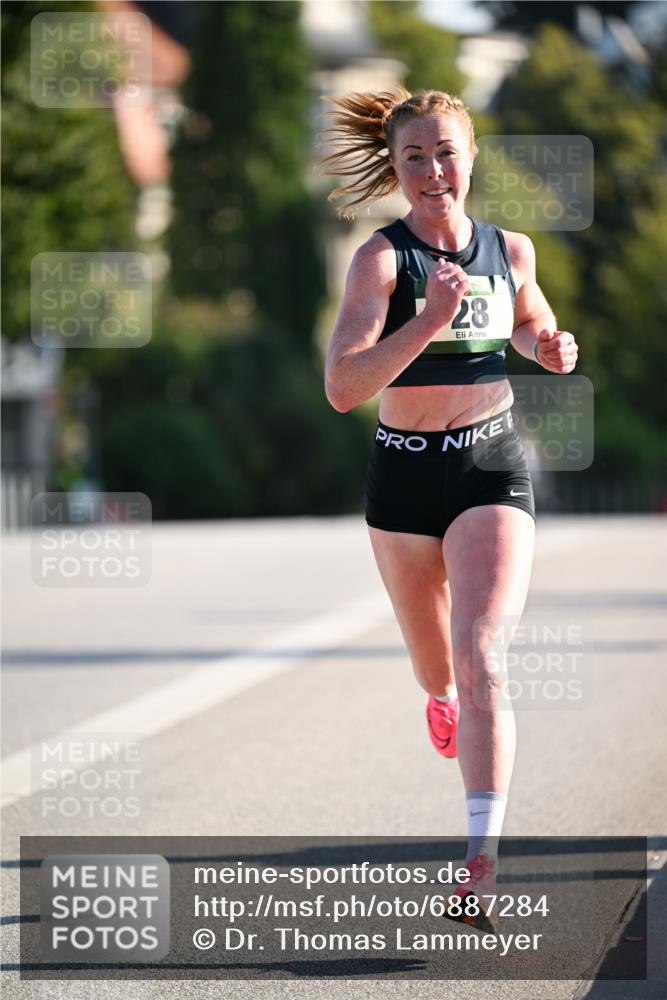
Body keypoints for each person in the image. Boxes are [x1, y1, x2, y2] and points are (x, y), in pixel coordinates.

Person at [320, 88, 578, 932]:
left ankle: (478, 864)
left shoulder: (510, 248)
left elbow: (530, 319)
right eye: (413, 158)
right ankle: (440, 701)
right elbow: (342, 387)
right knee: (440, 677)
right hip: (400, 482)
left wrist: (548, 344)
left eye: (445, 153)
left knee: (482, 659)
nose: (433, 171)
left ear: (471, 157)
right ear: (396, 171)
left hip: (487, 466)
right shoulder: (381, 263)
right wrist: (427, 322)